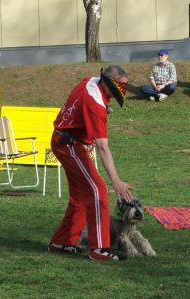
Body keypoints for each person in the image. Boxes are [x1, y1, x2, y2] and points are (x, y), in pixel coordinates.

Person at [48, 65, 133, 261]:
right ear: (109, 83)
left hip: (65, 139)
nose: (123, 92)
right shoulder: (94, 104)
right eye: (120, 87)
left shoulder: (90, 81)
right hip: (69, 145)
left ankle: (61, 242)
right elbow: (103, 147)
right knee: (97, 189)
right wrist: (116, 181)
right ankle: (98, 248)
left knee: (80, 196)